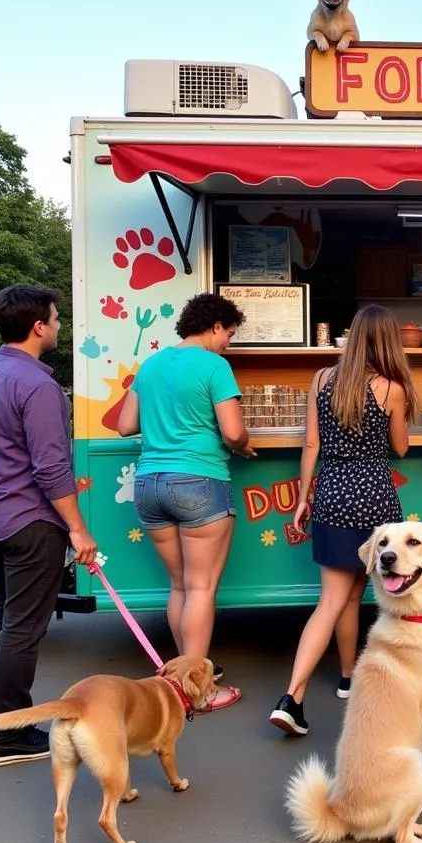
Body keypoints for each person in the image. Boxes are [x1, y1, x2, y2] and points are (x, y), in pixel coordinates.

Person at [269, 305, 416, 737]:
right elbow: (402, 449)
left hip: (332, 494)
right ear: (388, 342)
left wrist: (302, 497)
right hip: (373, 499)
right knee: (351, 598)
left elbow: (310, 443)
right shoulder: (390, 388)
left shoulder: (320, 379)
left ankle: (341, 680)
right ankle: (293, 696)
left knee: (339, 599)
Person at [0, 285, 97, 766]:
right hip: (31, 522)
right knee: (22, 628)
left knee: (4, 619)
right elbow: (50, 468)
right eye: (57, 317)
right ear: (38, 326)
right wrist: (78, 529)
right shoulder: (39, 387)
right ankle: (8, 736)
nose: (60, 324)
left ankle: (2, 725)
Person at [116, 292, 253, 713]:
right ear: (215, 326)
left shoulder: (152, 364)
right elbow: (232, 432)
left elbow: (125, 426)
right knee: (201, 587)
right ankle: (199, 690)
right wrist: (244, 446)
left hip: (149, 483)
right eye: (229, 333)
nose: (228, 342)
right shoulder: (215, 366)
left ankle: (180, 675)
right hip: (198, 480)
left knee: (179, 585)